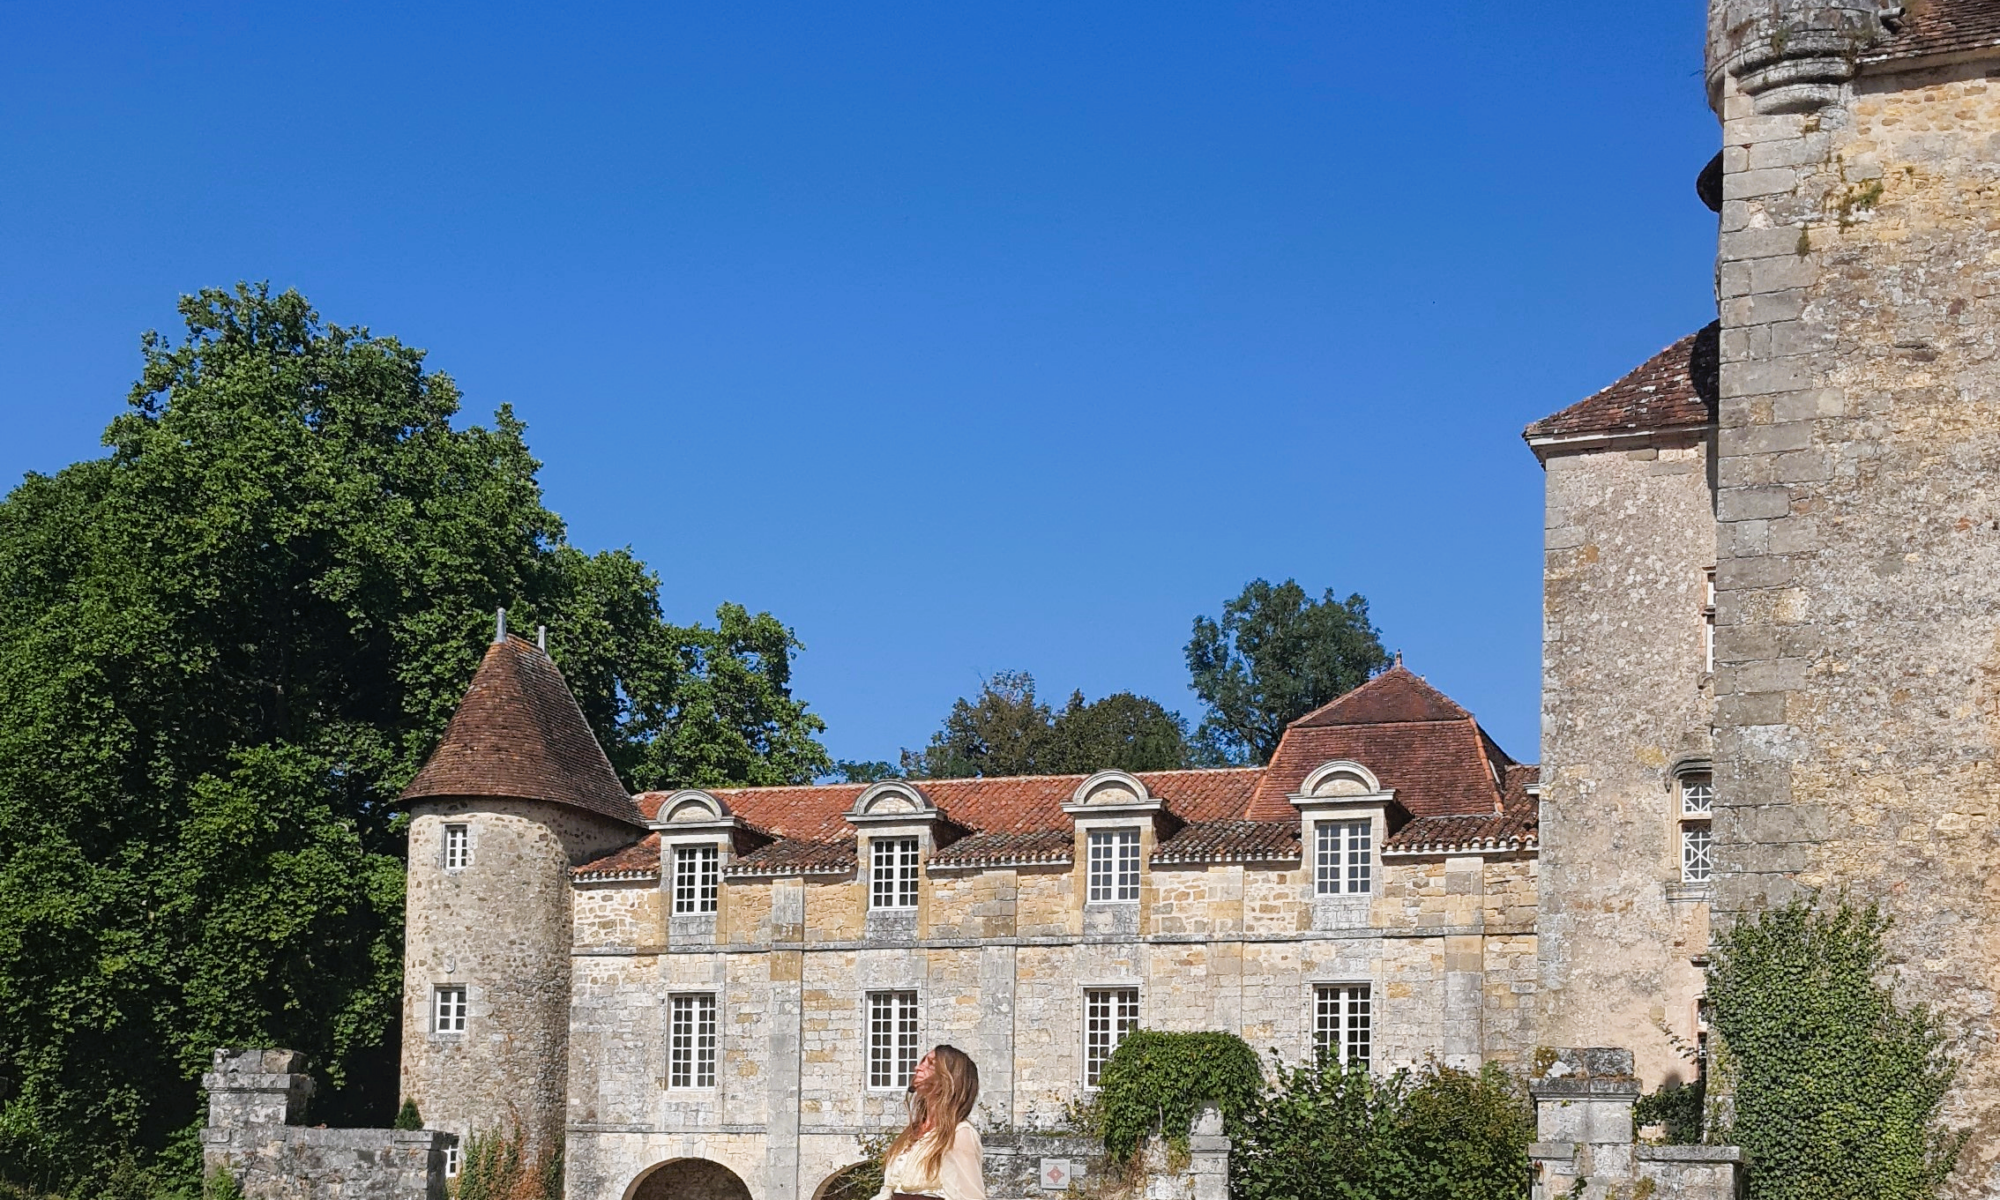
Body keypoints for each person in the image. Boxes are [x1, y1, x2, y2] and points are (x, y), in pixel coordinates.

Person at [873, 1044, 986, 1200]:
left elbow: (969, 1196)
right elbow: (888, 1191)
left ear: (949, 1078)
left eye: (930, 1064)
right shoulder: (912, 1133)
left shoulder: (959, 1134)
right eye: (922, 1061)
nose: (917, 1068)